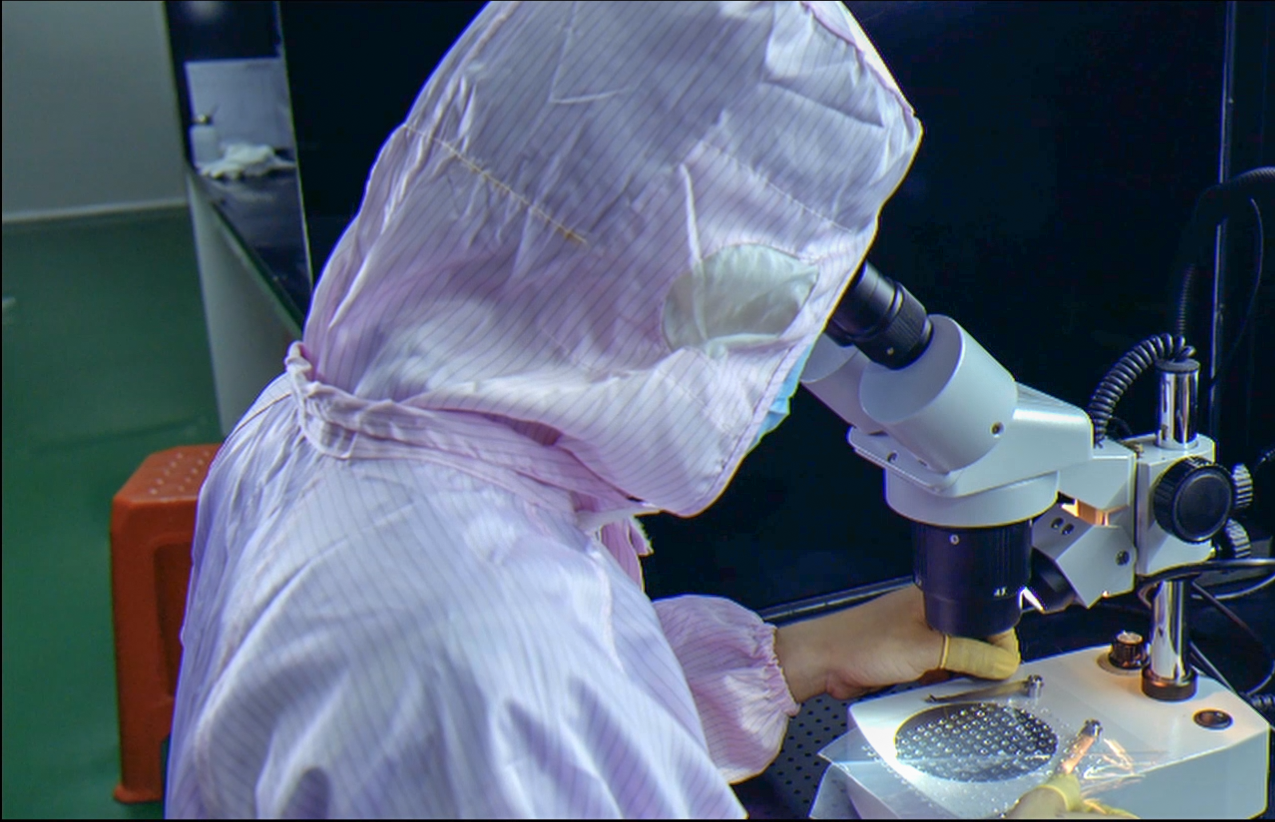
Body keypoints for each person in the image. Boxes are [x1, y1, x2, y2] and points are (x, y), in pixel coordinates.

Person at [166, 2, 1023, 817]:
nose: (783, 366)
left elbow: (567, 725)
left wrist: (795, 659)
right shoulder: (475, 658)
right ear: (639, 283)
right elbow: (516, 711)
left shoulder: (324, 416)